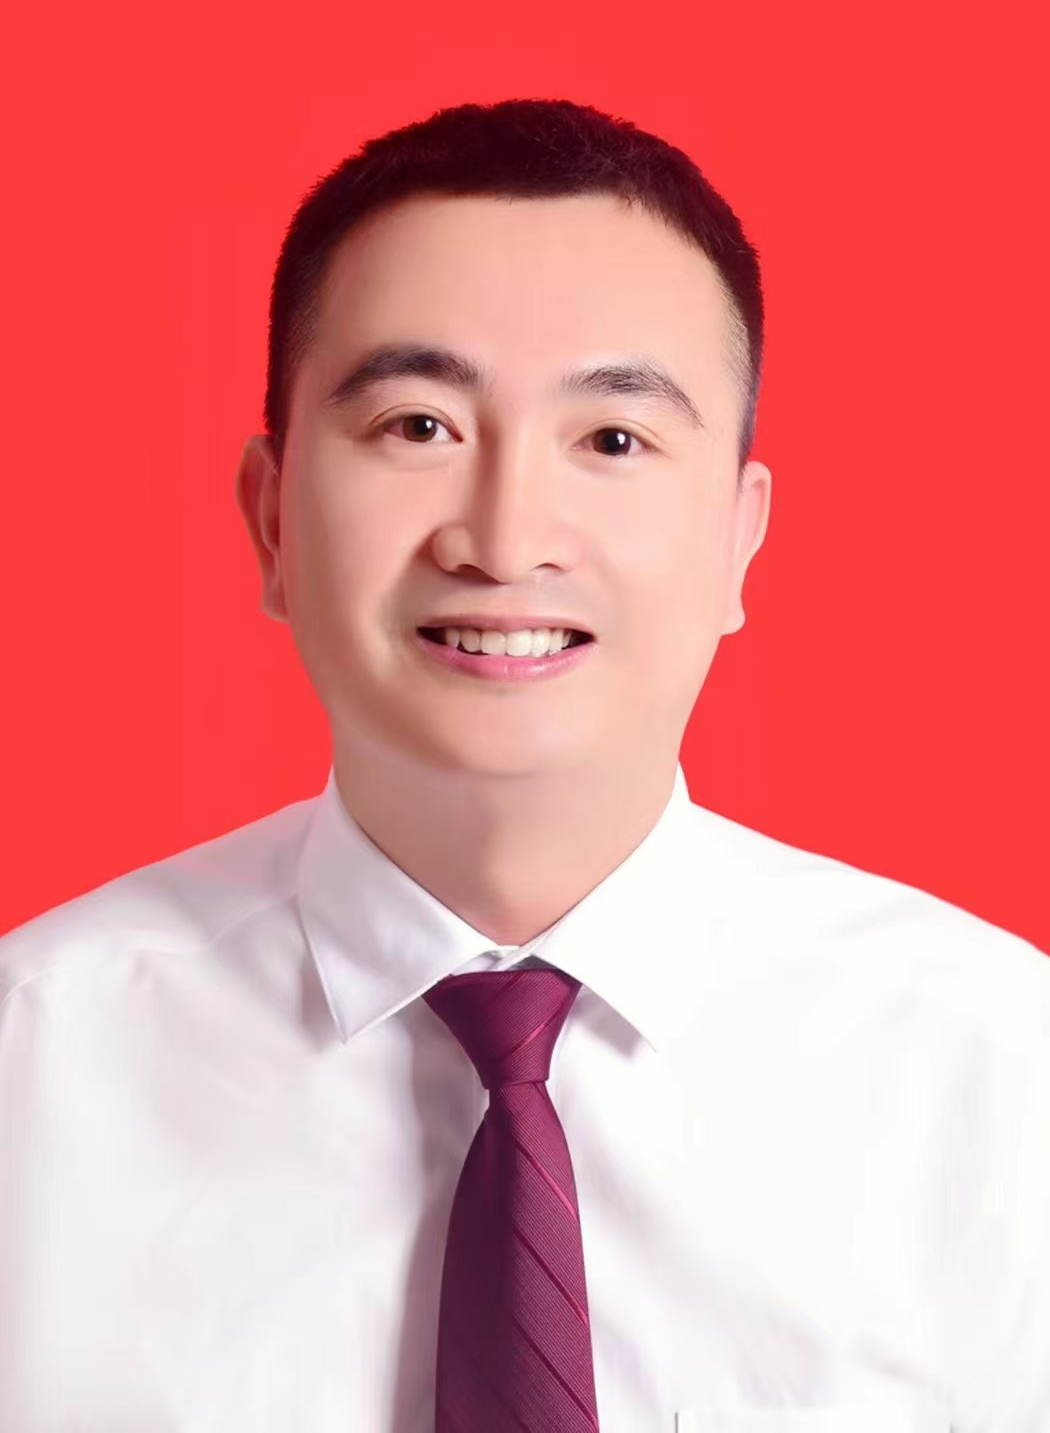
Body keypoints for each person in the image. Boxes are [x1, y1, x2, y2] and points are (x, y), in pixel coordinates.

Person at [1, 98, 1046, 1433]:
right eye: (417, 427)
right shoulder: (31, 1072)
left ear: (738, 538)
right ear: (271, 520)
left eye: (611, 440)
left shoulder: (998, 1081)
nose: (502, 540)